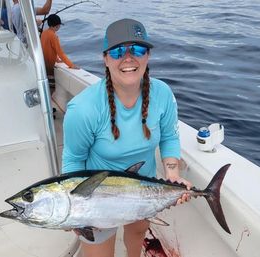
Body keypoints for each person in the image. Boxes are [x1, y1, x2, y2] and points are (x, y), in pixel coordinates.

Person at [62, 18, 191, 257]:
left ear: (148, 56)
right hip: (96, 199)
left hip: (143, 191)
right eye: (119, 50)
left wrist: (172, 173)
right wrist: (75, 210)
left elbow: (170, 137)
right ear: (105, 58)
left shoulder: (162, 94)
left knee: (137, 238)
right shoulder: (84, 108)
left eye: (138, 49)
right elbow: (73, 159)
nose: (129, 58)